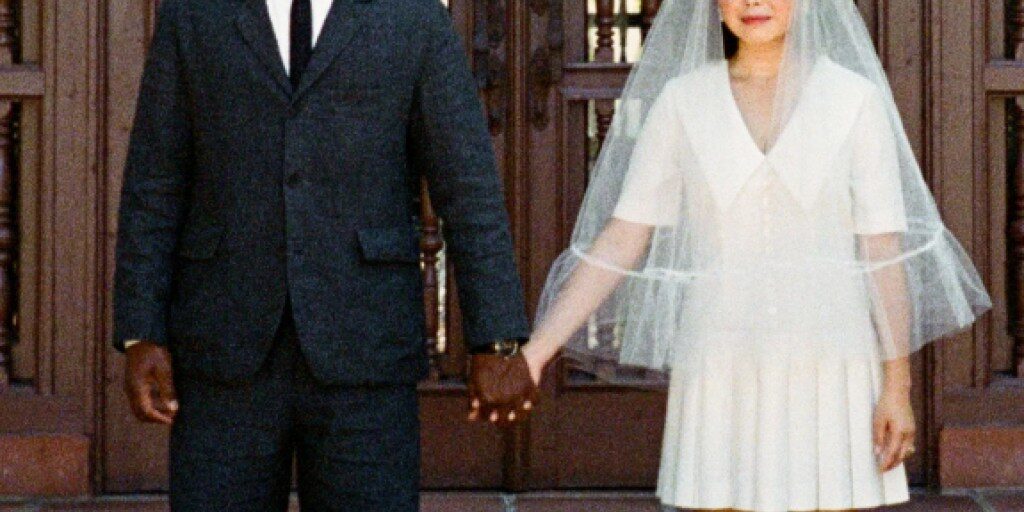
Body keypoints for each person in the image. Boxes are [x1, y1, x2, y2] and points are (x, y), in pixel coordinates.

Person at [522, 0, 992, 511]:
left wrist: (897, 387)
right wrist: (536, 353)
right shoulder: (683, 101)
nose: (753, 1)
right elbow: (623, 236)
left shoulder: (853, 99)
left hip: (832, 365)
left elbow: (882, 250)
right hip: (719, 366)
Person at [112, 0, 537, 510]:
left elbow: (467, 186)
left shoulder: (413, 15)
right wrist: (141, 331)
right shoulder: (193, 12)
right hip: (223, 345)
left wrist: (497, 339)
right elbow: (154, 183)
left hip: (367, 347)